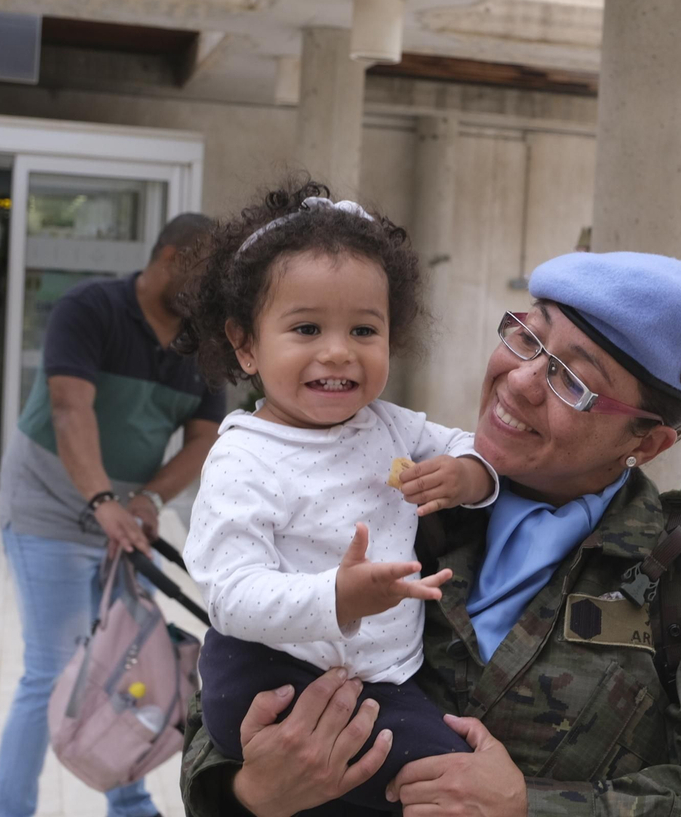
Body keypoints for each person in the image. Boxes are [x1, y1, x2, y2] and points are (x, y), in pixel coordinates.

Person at [182, 232, 681, 817]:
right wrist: (251, 793)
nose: (519, 381)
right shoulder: (406, 492)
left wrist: (529, 808)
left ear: (647, 442)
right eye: (526, 339)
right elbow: (230, 686)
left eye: (571, 380)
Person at [178, 188, 498, 811]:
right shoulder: (244, 456)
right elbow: (229, 593)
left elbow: (471, 445)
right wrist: (335, 597)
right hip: (269, 672)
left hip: (377, 675)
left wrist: (467, 475)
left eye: (363, 329)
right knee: (445, 775)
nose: (337, 350)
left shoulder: (389, 425)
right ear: (246, 344)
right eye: (306, 328)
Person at [0, 212, 224, 817]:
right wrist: (100, 502)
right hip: (50, 507)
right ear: (171, 258)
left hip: (119, 516)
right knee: (53, 668)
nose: (214, 291)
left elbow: (204, 438)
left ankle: (129, 802)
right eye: (206, 275)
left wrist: (146, 501)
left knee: (122, 654)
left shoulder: (202, 344)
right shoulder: (89, 307)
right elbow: (70, 409)